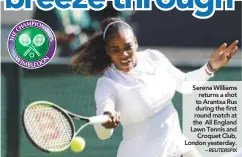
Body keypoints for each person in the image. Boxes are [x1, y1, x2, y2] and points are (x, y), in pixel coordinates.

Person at [72, 18, 239, 157]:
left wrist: (210, 67)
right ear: (108, 52)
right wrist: (107, 119)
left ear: (136, 43)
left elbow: (185, 84)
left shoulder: (154, 57)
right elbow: (103, 131)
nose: (123, 54)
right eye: (115, 50)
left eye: (128, 47)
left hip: (179, 150)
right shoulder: (107, 83)